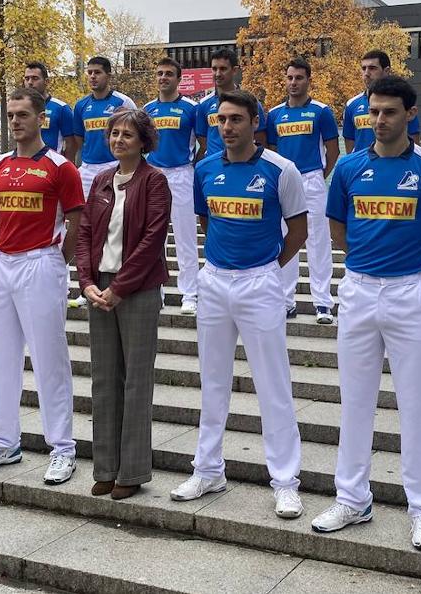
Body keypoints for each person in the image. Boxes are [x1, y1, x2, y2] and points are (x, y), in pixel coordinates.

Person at [313, 75, 421, 553]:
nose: (379, 120)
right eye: (373, 112)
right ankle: (352, 498)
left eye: (389, 112)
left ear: (409, 116)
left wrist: (413, 268)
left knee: (417, 407)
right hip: (358, 291)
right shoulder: (350, 168)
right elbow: (338, 230)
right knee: (355, 402)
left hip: (411, 294)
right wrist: (370, 264)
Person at [171, 89, 307, 519]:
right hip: (214, 282)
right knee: (212, 381)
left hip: (260, 283)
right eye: (221, 120)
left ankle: (286, 481)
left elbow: (298, 231)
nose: (226, 128)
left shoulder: (280, 170)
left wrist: (268, 268)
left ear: (254, 122)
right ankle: (208, 469)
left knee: (273, 385)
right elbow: (207, 220)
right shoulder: (205, 168)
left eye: (235, 120)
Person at [0, 87, 85, 485]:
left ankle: (63, 448)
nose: (15, 121)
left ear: (41, 119)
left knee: (49, 358)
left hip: (41, 263)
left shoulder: (59, 166)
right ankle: (4, 441)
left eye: (23, 114)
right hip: (4, 264)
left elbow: (76, 222)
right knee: (3, 357)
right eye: (11, 114)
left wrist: (57, 261)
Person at [75, 109, 171, 500]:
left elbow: (152, 239)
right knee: (104, 379)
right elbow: (84, 234)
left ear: (143, 140)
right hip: (100, 288)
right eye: (114, 133)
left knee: (136, 382)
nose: (118, 140)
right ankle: (105, 467)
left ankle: (131, 471)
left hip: (138, 289)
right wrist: (86, 283)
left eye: (127, 135)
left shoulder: (155, 181)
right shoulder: (100, 180)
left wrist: (121, 288)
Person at [266, 57, 339, 324]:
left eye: (299, 77)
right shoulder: (273, 114)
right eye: (289, 77)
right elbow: (271, 152)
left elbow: (333, 151)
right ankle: (286, 301)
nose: (293, 82)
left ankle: (322, 303)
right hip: (284, 183)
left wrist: (319, 176)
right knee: (286, 239)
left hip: (311, 181)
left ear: (309, 80)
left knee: (318, 243)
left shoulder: (321, 111)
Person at [69, 56, 136, 308]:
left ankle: (121, 283)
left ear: (108, 75)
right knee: (87, 227)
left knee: (118, 225)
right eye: (89, 72)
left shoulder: (122, 102)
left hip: (115, 167)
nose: (92, 76)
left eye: (97, 72)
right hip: (88, 170)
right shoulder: (81, 106)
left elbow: (134, 132)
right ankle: (87, 285)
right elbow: (77, 141)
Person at [142, 57, 201, 315]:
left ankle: (190, 294)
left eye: (168, 74)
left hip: (181, 174)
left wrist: (190, 168)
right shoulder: (147, 110)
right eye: (159, 73)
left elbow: (203, 144)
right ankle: (157, 292)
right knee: (154, 237)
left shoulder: (191, 108)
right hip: (154, 175)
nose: (163, 78)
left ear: (179, 79)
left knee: (185, 237)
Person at [195, 48, 267, 159]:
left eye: (223, 69)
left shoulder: (251, 102)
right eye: (214, 69)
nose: (218, 74)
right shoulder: (204, 104)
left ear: (234, 70)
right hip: (215, 166)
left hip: (243, 164)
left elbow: (260, 138)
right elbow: (203, 140)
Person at [343, 50, 420, 152]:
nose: (366, 73)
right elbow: (350, 144)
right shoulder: (351, 105)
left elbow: (414, 139)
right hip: (363, 165)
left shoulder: (401, 102)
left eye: (372, 68)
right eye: (363, 68)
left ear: (386, 71)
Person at [24, 60, 81, 161]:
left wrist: (65, 166)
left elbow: (71, 143)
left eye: (35, 78)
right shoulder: (21, 108)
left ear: (46, 82)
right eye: (27, 78)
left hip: (51, 166)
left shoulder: (61, 108)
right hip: (26, 164)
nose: (30, 82)